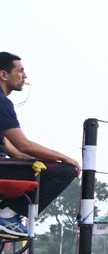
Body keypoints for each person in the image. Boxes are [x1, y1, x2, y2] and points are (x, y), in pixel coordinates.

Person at [0, 52, 80, 240]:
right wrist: (64, 158)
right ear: (3, 74)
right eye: (20, 71)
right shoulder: (2, 102)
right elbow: (24, 145)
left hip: (4, 164)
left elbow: (17, 153)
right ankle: (7, 214)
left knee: (48, 167)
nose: (25, 76)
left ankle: (7, 213)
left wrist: (43, 161)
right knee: (65, 171)